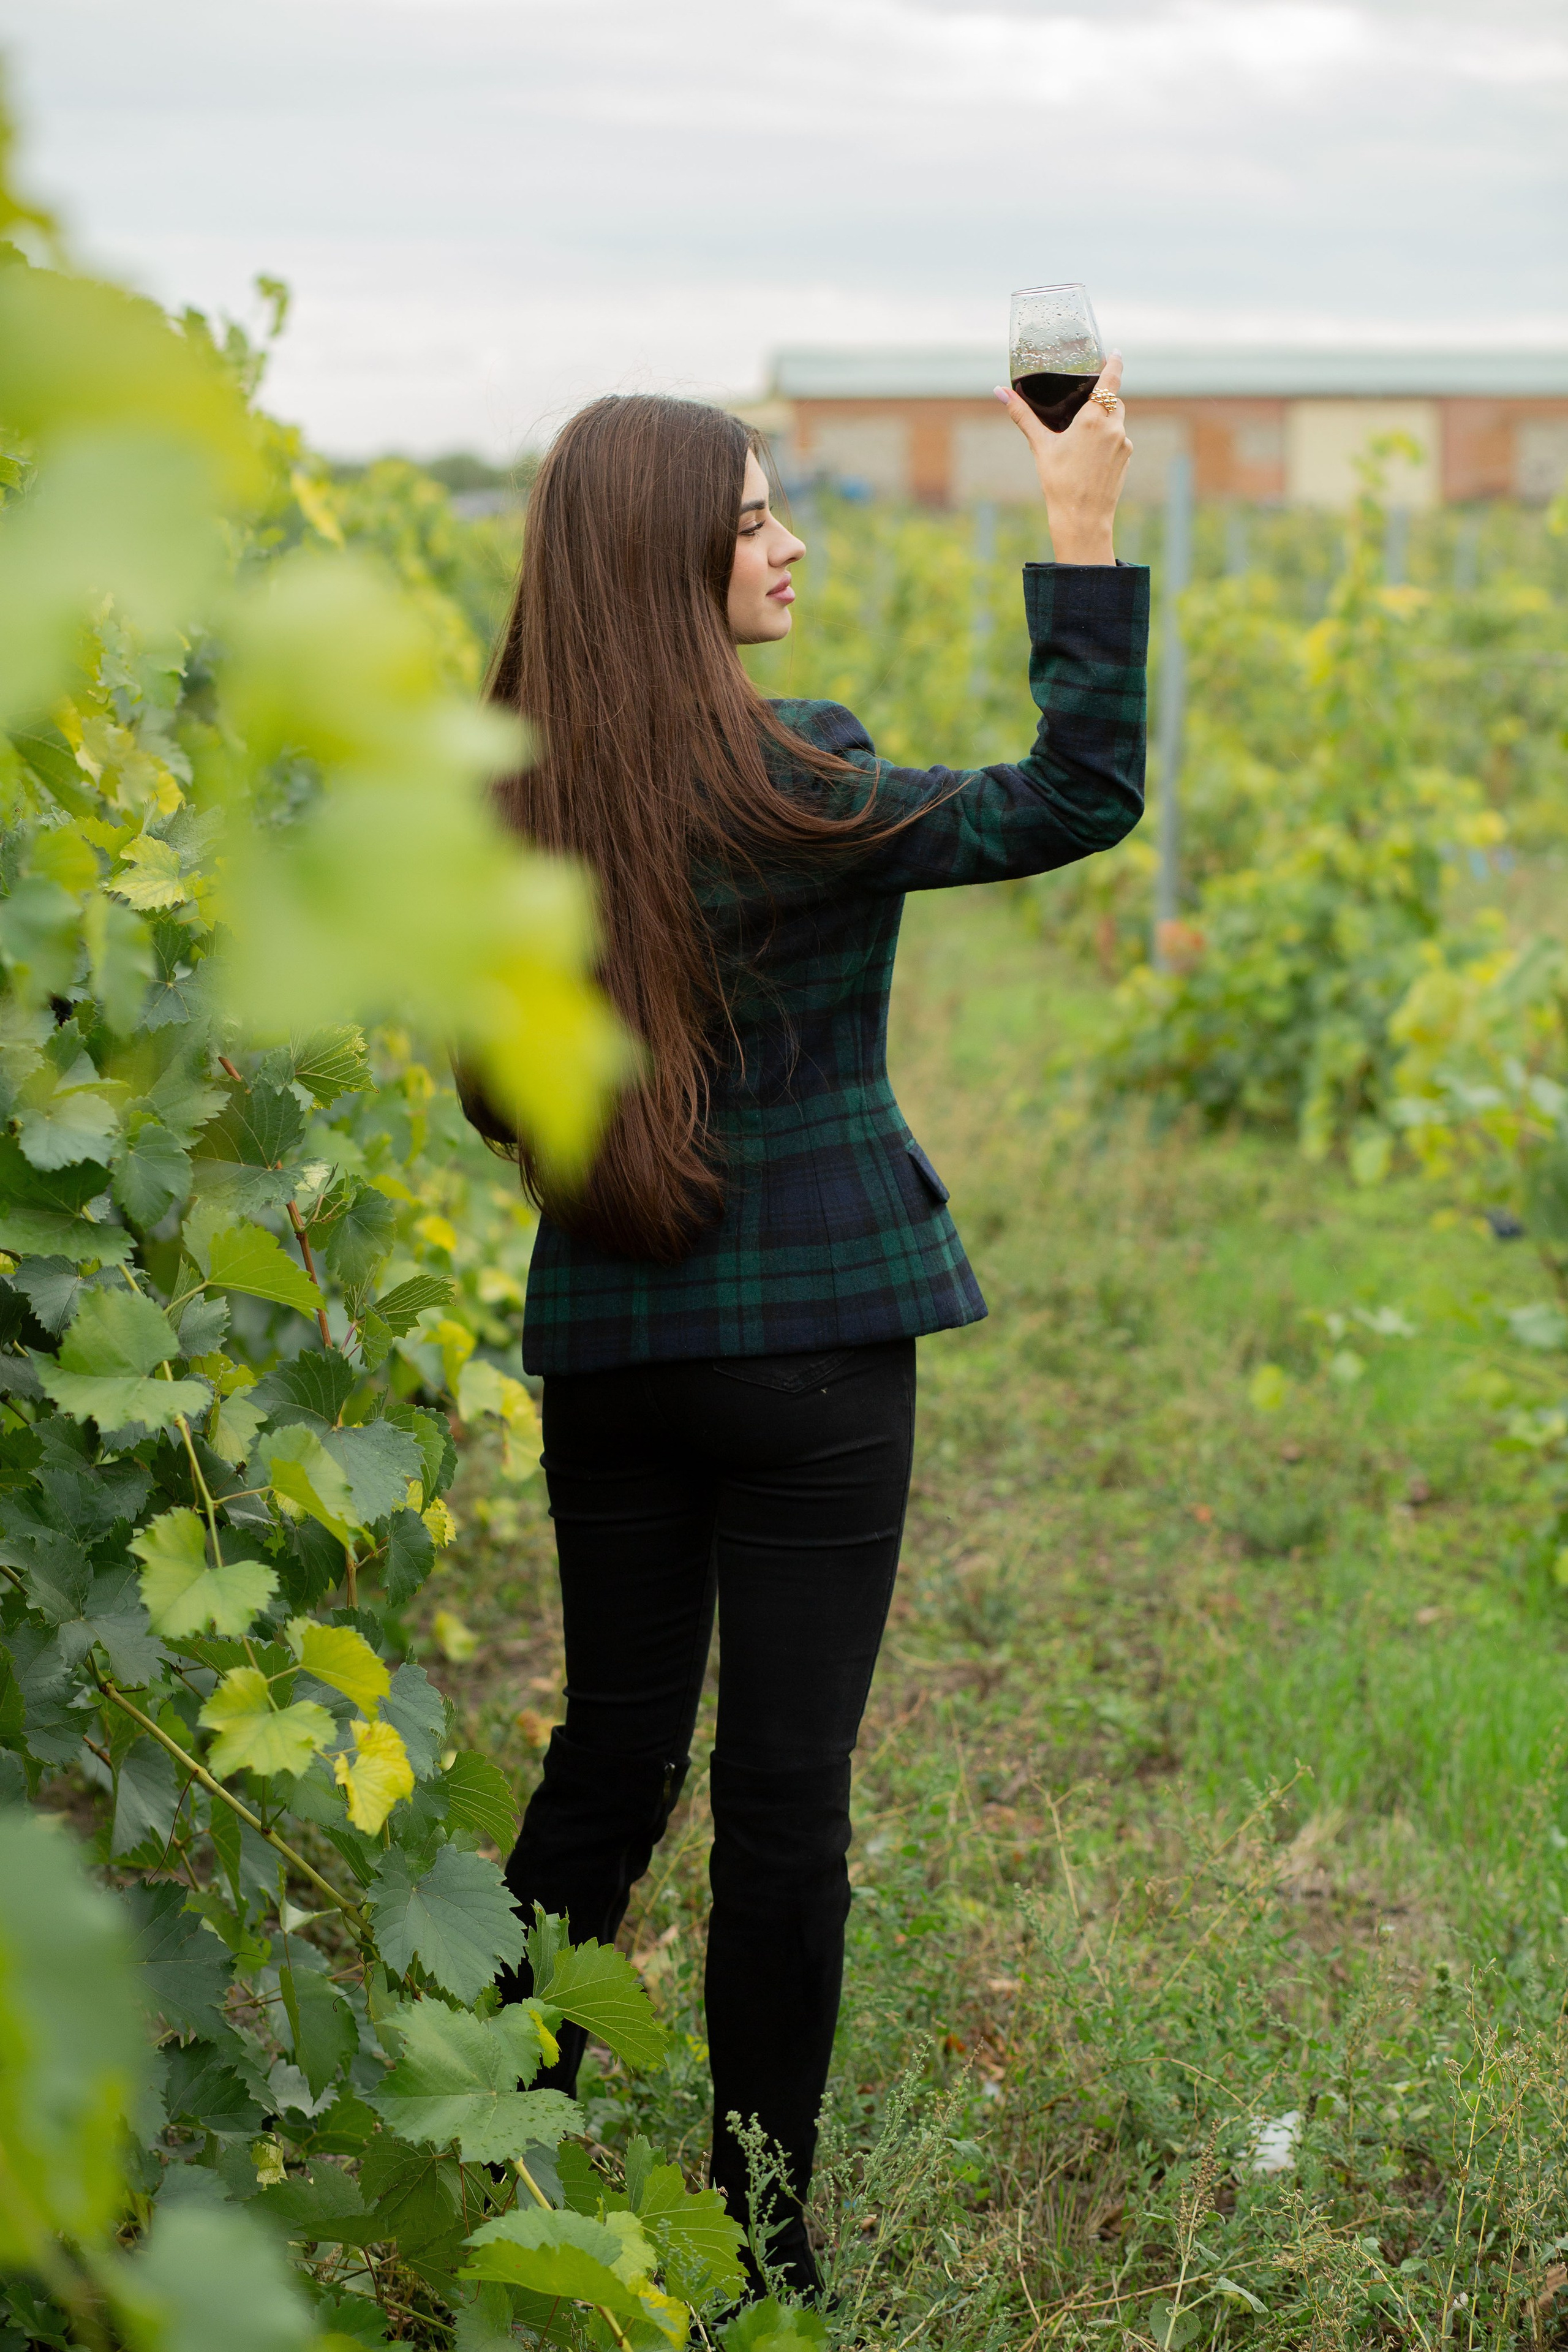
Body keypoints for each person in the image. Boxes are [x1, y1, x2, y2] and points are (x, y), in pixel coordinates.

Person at [464, 358, 1145, 2295]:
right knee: (782, 1808)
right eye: (753, 519)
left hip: (612, 1344)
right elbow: (1075, 795)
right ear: (665, 560)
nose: (788, 545)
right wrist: (1079, 525)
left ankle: (484, 2119)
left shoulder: (501, 804)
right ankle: (768, 2258)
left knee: (610, 1761)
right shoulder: (800, 772)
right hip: (826, 1344)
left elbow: (497, 1092)